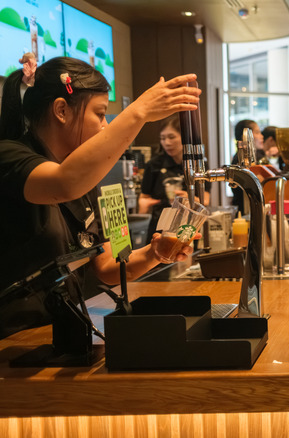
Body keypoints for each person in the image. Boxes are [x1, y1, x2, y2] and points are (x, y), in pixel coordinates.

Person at [0, 56, 200, 336]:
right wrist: (137, 112)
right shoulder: (9, 156)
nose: (105, 125)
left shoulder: (85, 181)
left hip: (63, 335)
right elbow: (64, 183)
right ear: (61, 110)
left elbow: (108, 266)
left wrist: (156, 253)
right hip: (12, 344)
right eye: (100, 113)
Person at [139, 116, 211, 244]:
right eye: (162, 138)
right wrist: (145, 205)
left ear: (185, 139)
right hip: (160, 228)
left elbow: (205, 199)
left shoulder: (197, 165)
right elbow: (144, 198)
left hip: (188, 228)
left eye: (171, 137)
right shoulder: (154, 165)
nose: (166, 143)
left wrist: (188, 198)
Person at [230, 119, 264, 214]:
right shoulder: (240, 160)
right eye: (257, 132)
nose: (262, 136)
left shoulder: (256, 158)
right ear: (246, 138)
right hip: (244, 213)